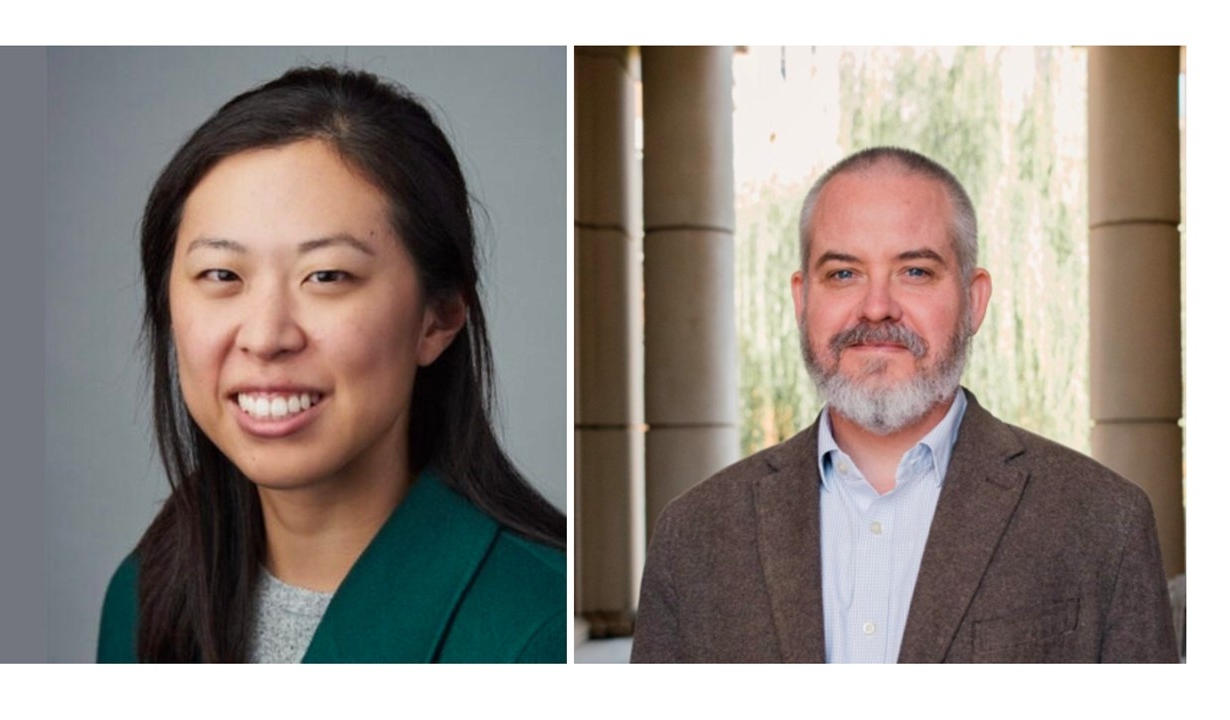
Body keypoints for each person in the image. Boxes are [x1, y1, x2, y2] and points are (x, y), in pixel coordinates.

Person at [631, 146, 1177, 663]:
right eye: (843, 273)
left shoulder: (1104, 522)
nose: (876, 308)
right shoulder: (694, 537)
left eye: (915, 271)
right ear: (802, 301)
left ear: (974, 300)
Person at [97, 66, 566, 663]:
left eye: (326, 276)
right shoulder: (146, 593)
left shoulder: (535, 628)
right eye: (222, 275)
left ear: (439, 317)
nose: (266, 337)